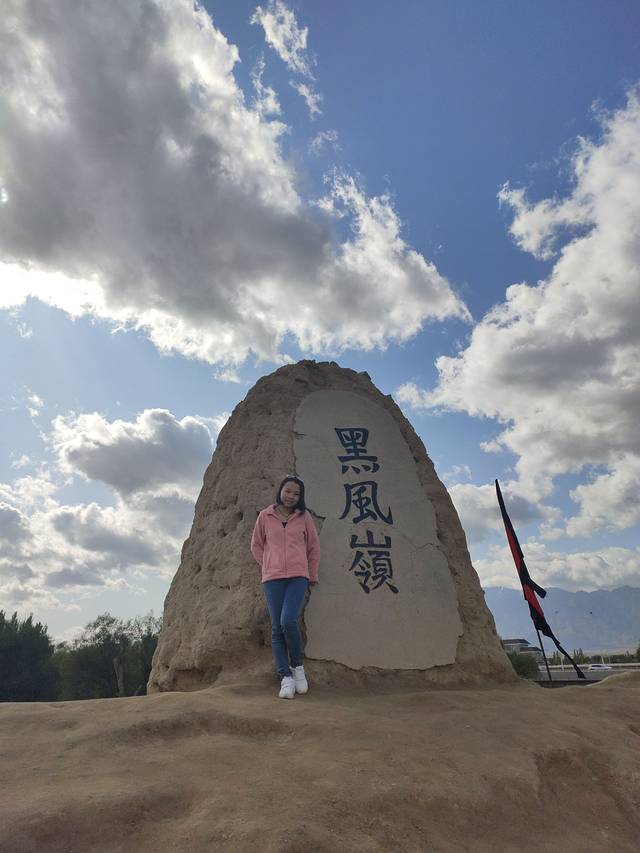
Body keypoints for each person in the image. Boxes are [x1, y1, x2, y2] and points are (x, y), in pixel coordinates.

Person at [251, 475, 320, 699]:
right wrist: (269, 565)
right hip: (272, 578)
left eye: (296, 494)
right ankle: (285, 677)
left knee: (288, 621)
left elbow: (313, 547)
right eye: (288, 491)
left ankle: (297, 667)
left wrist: (311, 572)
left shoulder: (304, 517)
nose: (291, 496)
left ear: (300, 497)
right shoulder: (265, 515)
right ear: (281, 491)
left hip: (298, 576)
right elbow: (256, 545)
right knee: (276, 629)